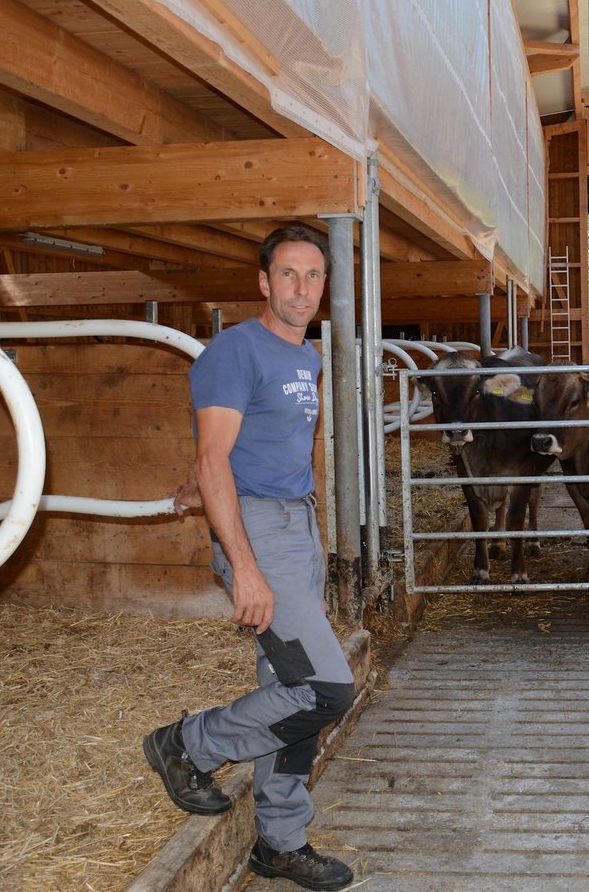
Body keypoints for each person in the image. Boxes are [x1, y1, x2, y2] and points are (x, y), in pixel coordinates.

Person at [145, 224, 355, 891]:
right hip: (258, 528)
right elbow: (214, 455)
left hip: (299, 525)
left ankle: (281, 841)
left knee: (289, 686)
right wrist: (248, 566)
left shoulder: (307, 357)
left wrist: (311, 547)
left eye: (314, 276)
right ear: (264, 282)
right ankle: (185, 745)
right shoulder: (235, 351)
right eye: (288, 274)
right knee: (326, 689)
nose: (302, 288)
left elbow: (254, 447)